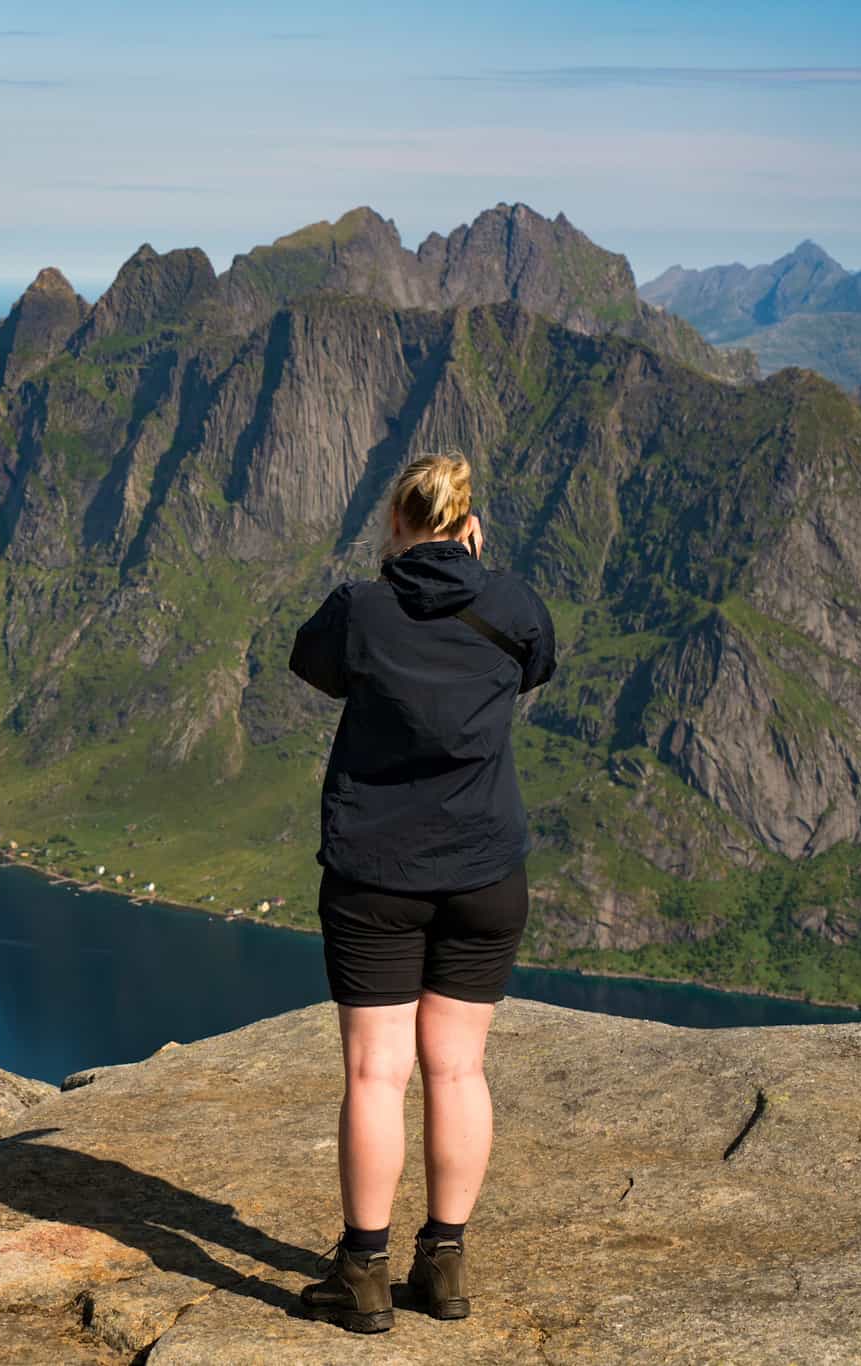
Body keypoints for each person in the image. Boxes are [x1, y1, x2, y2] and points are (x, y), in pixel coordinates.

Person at [286, 452, 557, 1334]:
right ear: (468, 524)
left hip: (375, 876)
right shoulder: (511, 603)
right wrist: (475, 574)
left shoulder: (361, 610)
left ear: (397, 523)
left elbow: (312, 665)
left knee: (375, 1071)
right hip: (485, 873)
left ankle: (363, 1276)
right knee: (458, 1067)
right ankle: (445, 1266)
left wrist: (390, 574)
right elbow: (533, 668)